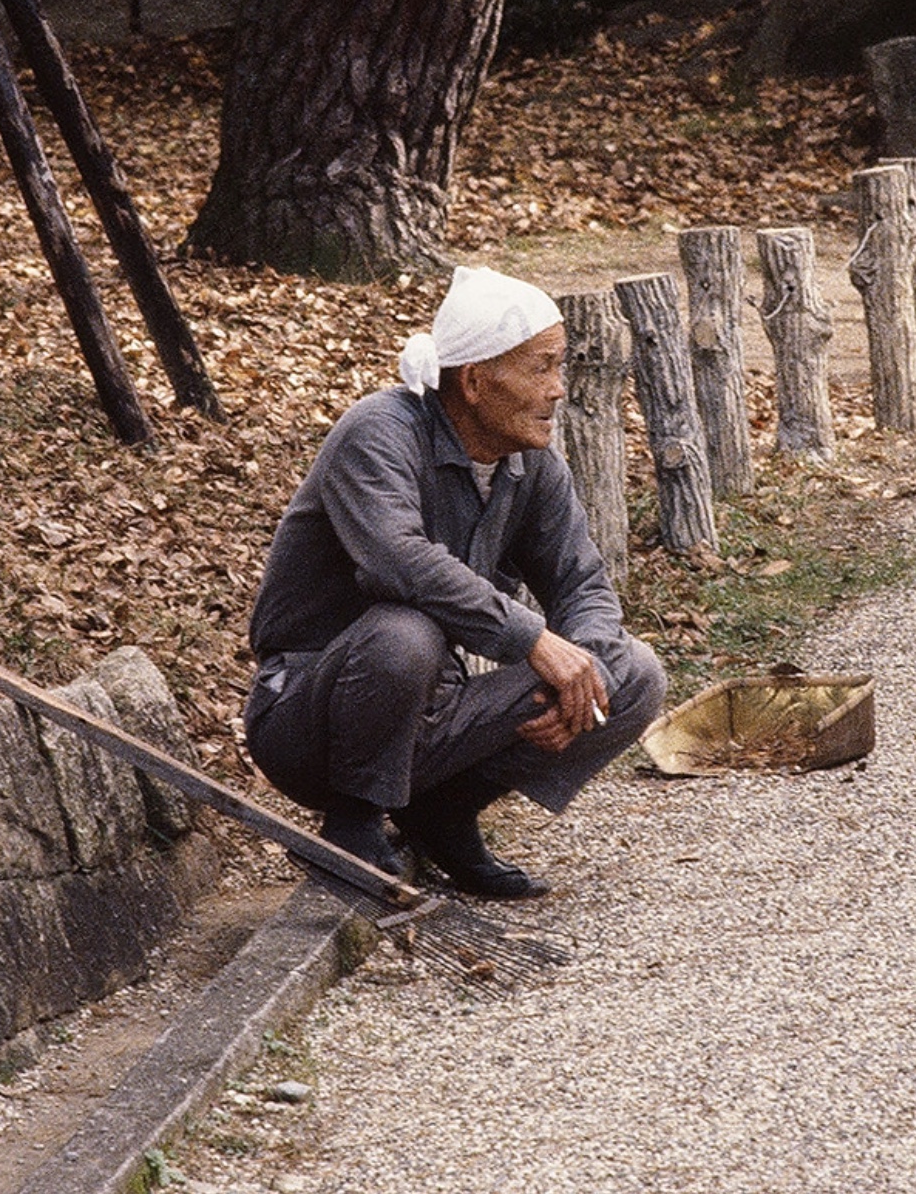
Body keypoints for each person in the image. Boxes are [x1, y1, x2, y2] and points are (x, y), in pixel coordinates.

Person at [241, 266, 666, 899]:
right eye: (542, 368)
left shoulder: (532, 466)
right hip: (310, 722)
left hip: (432, 716)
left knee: (633, 674)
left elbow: (583, 585)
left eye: (561, 368)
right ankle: (352, 823)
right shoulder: (378, 432)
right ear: (473, 381)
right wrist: (533, 639)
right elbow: (396, 560)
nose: (557, 390)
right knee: (402, 632)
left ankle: (440, 814)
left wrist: (586, 675)